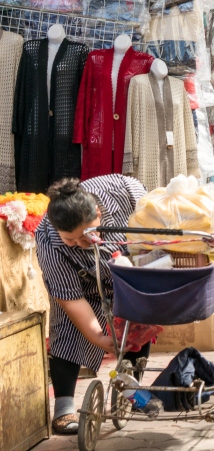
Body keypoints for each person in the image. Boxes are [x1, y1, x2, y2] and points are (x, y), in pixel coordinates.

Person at [36, 175, 148, 434]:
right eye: (71, 240)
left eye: (87, 234)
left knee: (134, 324)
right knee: (66, 327)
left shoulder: (123, 192)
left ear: (98, 213)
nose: (80, 243)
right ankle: (64, 408)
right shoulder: (47, 238)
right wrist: (99, 337)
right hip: (81, 280)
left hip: (126, 270)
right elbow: (70, 298)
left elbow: (152, 221)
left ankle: (135, 394)